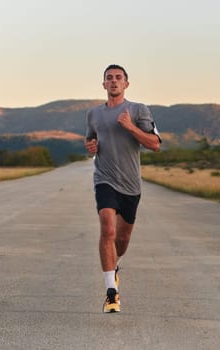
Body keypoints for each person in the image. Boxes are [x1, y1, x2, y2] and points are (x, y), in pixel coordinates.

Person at [85, 64, 161, 313]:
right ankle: (111, 293)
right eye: (109, 78)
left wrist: (130, 127)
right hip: (104, 179)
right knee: (107, 229)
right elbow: (90, 138)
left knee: (122, 239)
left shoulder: (139, 110)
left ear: (126, 84)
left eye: (119, 78)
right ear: (103, 84)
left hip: (131, 185)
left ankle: (113, 268)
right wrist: (91, 146)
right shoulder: (93, 114)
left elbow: (155, 144)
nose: (114, 81)